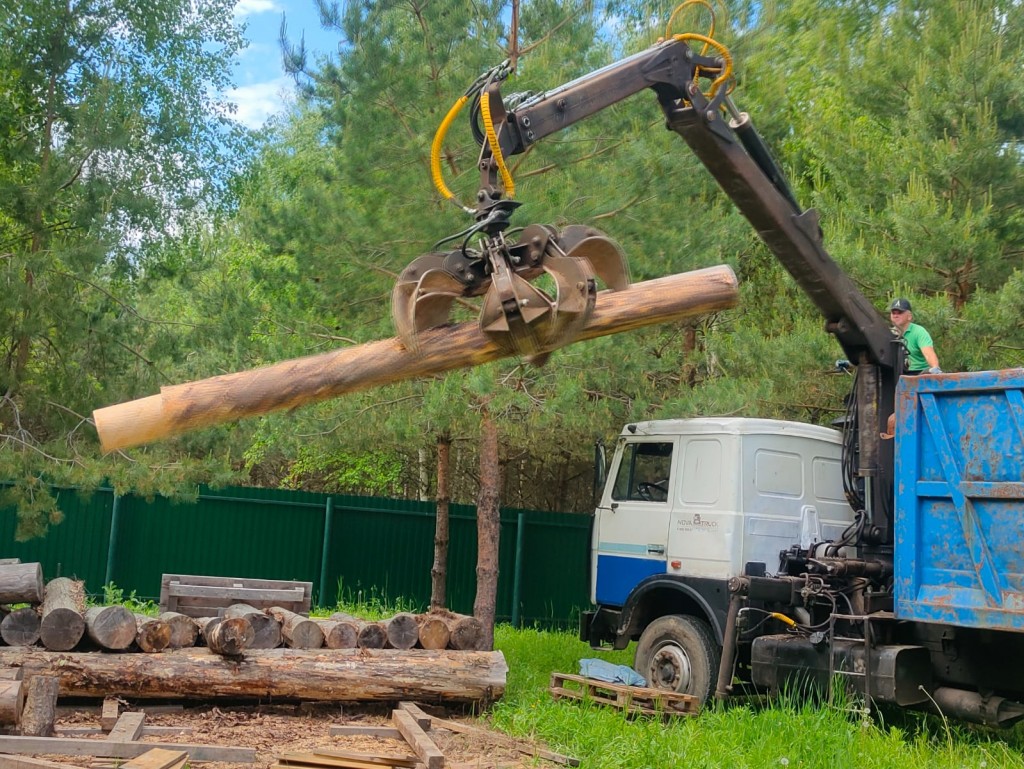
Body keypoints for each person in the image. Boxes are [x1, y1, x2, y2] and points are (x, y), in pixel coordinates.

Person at [888, 298, 941, 376]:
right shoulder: (888, 333)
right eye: (893, 313)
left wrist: (935, 367)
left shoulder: (919, 331)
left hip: (919, 374)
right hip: (897, 373)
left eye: (900, 313)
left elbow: (928, 354)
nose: (896, 315)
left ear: (909, 316)